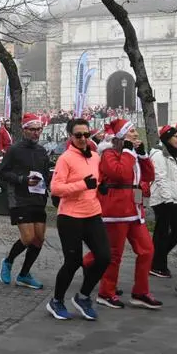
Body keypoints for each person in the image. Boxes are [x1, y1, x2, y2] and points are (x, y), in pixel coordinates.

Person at [85, 118, 162, 310]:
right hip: (116, 210)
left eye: (136, 131)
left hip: (135, 209)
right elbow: (120, 174)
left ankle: (140, 292)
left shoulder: (132, 154)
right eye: (132, 131)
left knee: (147, 250)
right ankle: (105, 292)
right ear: (122, 136)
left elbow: (149, 177)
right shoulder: (109, 153)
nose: (136, 134)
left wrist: (143, 156)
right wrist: (128, 151)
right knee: (114, 254)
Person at [47, 119, 110, 321]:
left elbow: (96, 181)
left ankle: (83, 296)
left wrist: (101, 187)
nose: (83, 139)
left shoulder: (94, 156)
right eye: (78, 135)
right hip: (70, 217)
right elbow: (56, 188)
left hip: (92, 213)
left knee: (104, 257)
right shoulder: (65, 159)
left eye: (86, 134)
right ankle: (56, 301)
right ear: (70, 137)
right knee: (73, 262)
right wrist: (82, 185)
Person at [0, 113, 51, 289]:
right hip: (20, 198)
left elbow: (45, 174)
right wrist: (22, 179)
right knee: (28, 238)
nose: (36, 133)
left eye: (39, 130)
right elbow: (2, 173)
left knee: (39, 239)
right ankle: (8, 261)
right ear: (25, 130)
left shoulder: (42, 151)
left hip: (38, 197)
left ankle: (24, 274)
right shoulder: (14, 149)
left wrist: (49, 186)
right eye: (33, 130)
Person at [150, 125, 177, 277]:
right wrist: (168, 200)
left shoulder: (173, 154)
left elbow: (176, 181)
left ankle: (156, 260)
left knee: (175, 232)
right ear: (167, 138)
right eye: (175, 137)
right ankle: (157, 265)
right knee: (163, 233)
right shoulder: (160, 155)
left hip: (174, 199)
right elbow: (161, 178)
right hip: (163, 200)